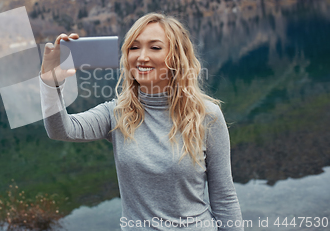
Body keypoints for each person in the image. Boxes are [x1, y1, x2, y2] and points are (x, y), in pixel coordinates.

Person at [39, 13, 243, 230]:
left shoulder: (207, 116)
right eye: (134, 48)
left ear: (176, 56)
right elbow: (61, 130)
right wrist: (50, 82)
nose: (142, 57)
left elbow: (224, 198)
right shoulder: (116, 113)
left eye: (155, 48)